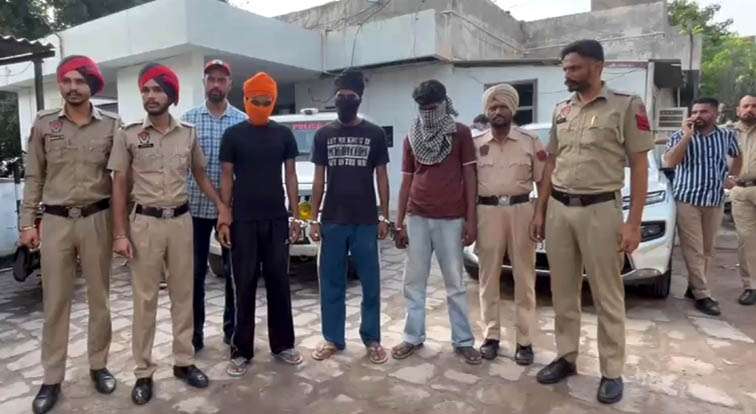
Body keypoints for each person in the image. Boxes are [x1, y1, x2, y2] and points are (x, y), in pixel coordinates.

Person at [530, 39, 653, 404]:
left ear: (597, 67)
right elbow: (552, 162)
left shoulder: (626, 106)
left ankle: (611, 371)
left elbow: (640, 166)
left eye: (574, 68)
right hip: (560, 209)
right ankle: (566, 356)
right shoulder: (562, 110)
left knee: (607, 293)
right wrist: (541, 209)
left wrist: (633, 223)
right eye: (565, 69)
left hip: (601, 210)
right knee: (562, 290)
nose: (567, 75)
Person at [109, 63, 230, 405]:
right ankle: (143, 371)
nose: (151, 96)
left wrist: (221, 205)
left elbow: (201, 175)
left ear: (171, 95)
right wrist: (120, 233)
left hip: (180, 222)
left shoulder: (187, 133)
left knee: (183, 295)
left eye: (157, 90)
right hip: (144, 224)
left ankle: (183, 361)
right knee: (145, 300)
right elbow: (119, 184)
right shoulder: (128, 134)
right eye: (145, 90)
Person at [22, 55, 119, 414]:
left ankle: (99, 365)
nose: (73, 87)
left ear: (91, 85)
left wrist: (123, 229)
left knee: (100, 300)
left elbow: (120, 180)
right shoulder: (44, 124)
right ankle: (52, 377)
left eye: (80, 81)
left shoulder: (111, 126)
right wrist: (27, 223)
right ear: (60, 84)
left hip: (97, 219)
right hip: (56, 222)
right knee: (55, 301)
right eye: (67, 81)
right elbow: (34, 175)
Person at [218, 72, 304, 377]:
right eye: (256, 101)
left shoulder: (283, 135)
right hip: (242, 221)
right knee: (243, 285)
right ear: (245, 100)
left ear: (274, 101)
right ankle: (241, 350)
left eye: (267, 102)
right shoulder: (233, 135)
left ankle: (283, 345)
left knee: (279, 282)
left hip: (276, 220)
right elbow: (226, 177)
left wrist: (296, 215)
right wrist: (224, 217)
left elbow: (291, 176)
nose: (261, 106)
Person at [391, 80, 482, 365]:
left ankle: (463, 341)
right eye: (423, 108)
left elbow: (470, 177)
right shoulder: (412, 135)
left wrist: (471, 220)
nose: (427, 113)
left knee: (455, 283)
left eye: (432, 107)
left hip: (451, 218)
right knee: (413, 281)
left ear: (444, 103)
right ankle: (412, 337)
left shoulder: (460, 133)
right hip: (417, 216)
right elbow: (406, 180)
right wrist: (398, 222)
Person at [308, 70, 391, 364]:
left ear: (359, 98)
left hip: (366, 220)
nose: (344, 100)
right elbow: (318, 179)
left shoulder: (375, 134)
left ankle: (372, 339)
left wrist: (384, 216)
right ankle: (333, 338)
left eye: (350, 95)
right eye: (340, 95)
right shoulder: (323, 135)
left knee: (370, 282)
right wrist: (314, 218)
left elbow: (382, 176)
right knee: (331, 282)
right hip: (332, 219)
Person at [474, 83, 545, 364]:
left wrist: (540, 215)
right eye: (492, 107)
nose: (498, 111)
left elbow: (543, 181)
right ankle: (490, 336)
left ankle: (524, 341)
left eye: (503, 106)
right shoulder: (476, 143)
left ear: (512, 110)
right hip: (487, 212)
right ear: (487, 111)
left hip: (521, 210)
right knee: (487, 277)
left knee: (524, 278)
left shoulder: (530, 141)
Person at [181, 59, 246, 350]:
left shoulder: (242, 121)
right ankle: (194, 335)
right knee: (194, 275)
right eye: (211, 79)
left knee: (234, 274)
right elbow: (189, 168)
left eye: (221, 79)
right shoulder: (188, 120)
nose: (216, 84)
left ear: (229, 84)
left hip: (232, 212)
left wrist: (226, 207)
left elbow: (243, 169)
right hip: (195, 209)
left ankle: (232, 332)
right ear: (204, 83)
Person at [664, 97, 742, 315]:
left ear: (715, 114)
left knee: (707, 249)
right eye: (695, 112)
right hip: (687, 200)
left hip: (714, 200)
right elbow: (670, 162)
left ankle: (693, 287)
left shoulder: (726, 136)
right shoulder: (680, 135)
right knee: (693, 249)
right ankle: (702, 294)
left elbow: (737, 156)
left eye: (704, 112)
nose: (698, 116)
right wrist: (686, 136)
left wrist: (732, 177)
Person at [730, 95, 756, 306]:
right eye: (746, 106)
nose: (750, 109)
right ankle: (751, 286)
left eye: (755, 106)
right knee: (746, 240)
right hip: (740, 191)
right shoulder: (727, 131)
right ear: (738, 110)